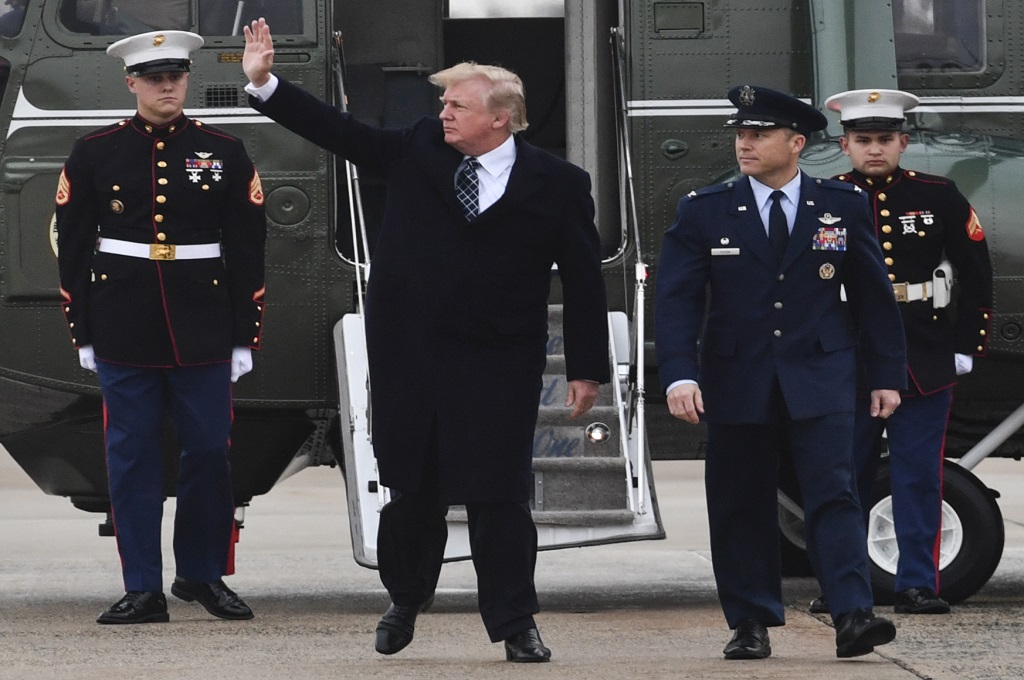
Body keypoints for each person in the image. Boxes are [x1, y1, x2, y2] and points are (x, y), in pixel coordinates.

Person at [241, 18, 609, 663]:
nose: (442, 112)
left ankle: (515, 622)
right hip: (411, 358)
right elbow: (342, 134)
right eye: (443, 103)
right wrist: (267, 83)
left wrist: (587, 368)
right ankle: (405, 601)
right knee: (413, 491)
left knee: (499, 497)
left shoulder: (558, 183)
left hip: (498, 362)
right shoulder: (416, 147)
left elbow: (582, 282)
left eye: (456, 104)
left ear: (501, 118)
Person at [655, 85, 907, 660]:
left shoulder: (841, 206)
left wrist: (887, 374)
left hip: (821, 375)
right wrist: (677, 373)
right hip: (736, 377)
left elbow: (873, 297)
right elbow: (677, 300)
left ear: (796, 143)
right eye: (741, 134)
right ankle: (749, 621)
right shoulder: (705, 208)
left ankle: (853, 615)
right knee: (739, 502)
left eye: (758, 134)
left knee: (835, 495)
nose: (745, 144)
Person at [55, 30, 266, 624]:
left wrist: (243, 333)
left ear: (187, 80)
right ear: (131, 83)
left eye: (175, 75)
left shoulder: (224, 149)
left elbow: (249, 245)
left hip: (203, 321)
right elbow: (71, 245)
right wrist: (83, 329)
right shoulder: (95, 151)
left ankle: (200, 576)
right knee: (132, 457)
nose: (166, 85)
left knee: (208, 453)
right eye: (153, 77)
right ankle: (142, 587)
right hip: (124, 320)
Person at [818, 89, 993, 615]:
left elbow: (976, 274)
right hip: (852, 358)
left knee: (918, 475)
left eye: (885, 139)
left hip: (924, 354)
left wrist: (968, 345)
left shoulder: (939, 196)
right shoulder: (825, 199)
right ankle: (841, 586)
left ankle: (917, 582)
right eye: (863, 140)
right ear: (844, 145)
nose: (875, 149)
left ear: (904, 142)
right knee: (844, 475)